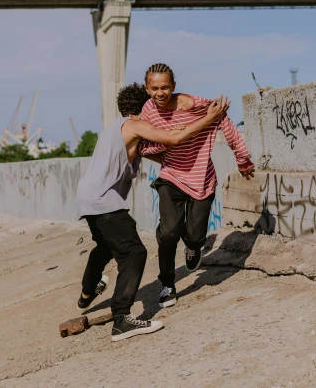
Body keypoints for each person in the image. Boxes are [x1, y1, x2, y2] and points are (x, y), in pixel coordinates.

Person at [75, 82, 230, 342]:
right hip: (104, 202)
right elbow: (173, 139)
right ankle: (122, 319)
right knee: (133, 252)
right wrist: (209, 118)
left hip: (87, 198)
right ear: (144, 106)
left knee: (104, 246)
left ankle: (87, 292)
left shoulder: (117, 130)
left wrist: (183, 160)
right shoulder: (135, 125)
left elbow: (160, 154)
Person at [139, 63, 255, 309]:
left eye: (165, 87)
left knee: (195, 235)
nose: (160, 93)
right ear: (147, 89)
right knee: (169, 234)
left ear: (174, 86)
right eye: (155, 88)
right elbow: (143, 148)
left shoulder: (196, 104)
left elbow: (222, 119)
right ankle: (167, 285)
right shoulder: (148, 112)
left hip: (202, 177)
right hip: (170, 177)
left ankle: (193, 247)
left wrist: (242, 158)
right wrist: (169, 141)